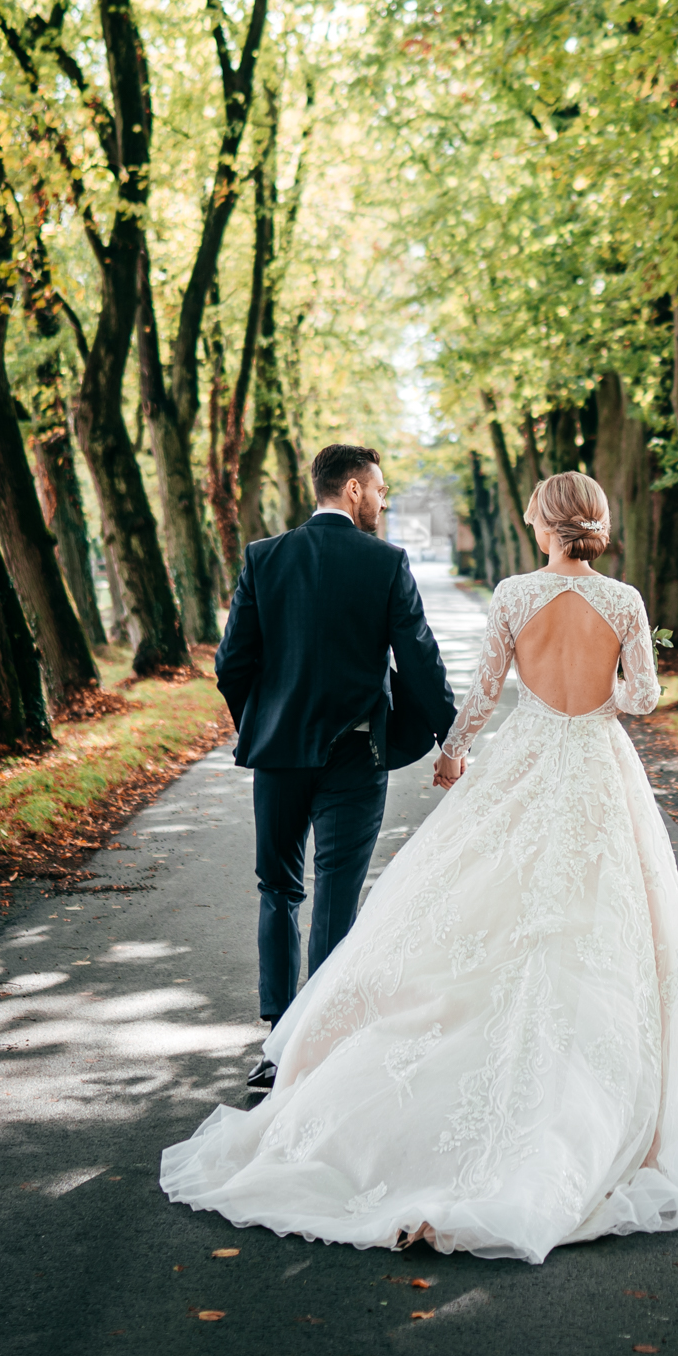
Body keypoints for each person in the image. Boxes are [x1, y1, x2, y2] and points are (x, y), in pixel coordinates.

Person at [162, 471, 678, 1264]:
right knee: (599, 917)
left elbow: (481, 692)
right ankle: (596, 1101)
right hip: (598, 765)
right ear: (598, 524)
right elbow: (643, 698)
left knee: (474, 907)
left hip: (529, 751)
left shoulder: (513, 593)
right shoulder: (625, 602)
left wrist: (457, 753)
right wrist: (596, 695)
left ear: (541, 522)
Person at [212, 442, 458, 1096]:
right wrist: (448, 737)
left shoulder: (265, 558)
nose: (383, 500)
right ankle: (315, 1048)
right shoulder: (384, 562)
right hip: (356, 755)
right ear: (352, 489)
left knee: (279, 890)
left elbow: (233, 663)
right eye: (379, 489)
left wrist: (262, 723)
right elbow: (422, 662)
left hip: (279, 755)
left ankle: (274, 1045)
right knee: (336, 898)